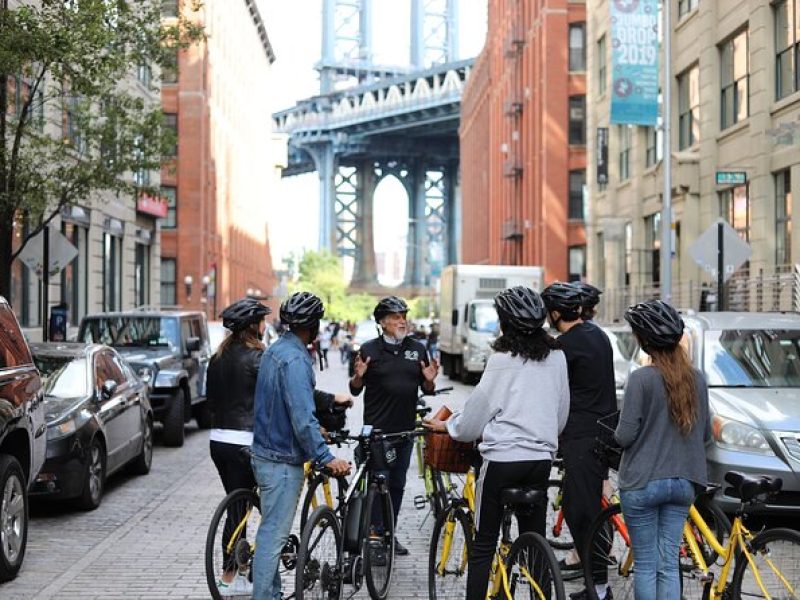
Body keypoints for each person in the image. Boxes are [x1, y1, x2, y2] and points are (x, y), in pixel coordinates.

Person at [424, 286, 570, 600]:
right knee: (534, 539)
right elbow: (561, 413)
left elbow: (474, 417)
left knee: (484, 544)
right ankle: (540, 590)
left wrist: (450, 425)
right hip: (540, 460)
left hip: (503, 461)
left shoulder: (502, 358)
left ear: (504, 322)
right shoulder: (557, 356)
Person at [251, 292, 350, 600]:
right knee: (273, 536)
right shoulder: (295, 359)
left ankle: (273, 593)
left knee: (271, 532)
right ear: (314, 325)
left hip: (266, 451)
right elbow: (301, 417)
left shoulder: (276, 350)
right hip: (280, 460)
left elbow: (283, 404)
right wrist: (326, 456)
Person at [615, 300, 710, 600]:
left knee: (645, 566)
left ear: (645, 340)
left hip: (643, 480)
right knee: (668, 564)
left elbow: (625, 435)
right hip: (684, 480)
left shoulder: (641, 379)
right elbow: (705, 434)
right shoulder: (698, 379)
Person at [541, 281, 616, 600]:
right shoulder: (598, 335)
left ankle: (598, 589)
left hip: (582, 437)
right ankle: (595, 584)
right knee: (589, 510)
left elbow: (552, 393)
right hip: (605, 432)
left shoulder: (564, 346)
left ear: (556, 313)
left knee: (580, 513)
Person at [349, 295, 439, 556]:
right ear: (382, 322)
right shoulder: (368, 350)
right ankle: (374, 535)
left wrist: (430, 382)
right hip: (378, 433)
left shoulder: (418, 349)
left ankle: (388, 534)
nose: (402, 321)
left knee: (397, 485)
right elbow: (354, 390)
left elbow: (426, 388)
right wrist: (358, 377)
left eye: (404, 316)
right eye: (396, 317)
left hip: (405, 431)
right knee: (380, 483)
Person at [206, 297, 271, 596]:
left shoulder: (216, 358)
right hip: (246, 441)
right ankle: (232, 575)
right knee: (254, 506)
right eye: (262, 320)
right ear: (254, 327)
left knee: (237, 504)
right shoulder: (259, 358)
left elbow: (210, 402)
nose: (265, 324)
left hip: (218, 441)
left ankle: (235, 572)